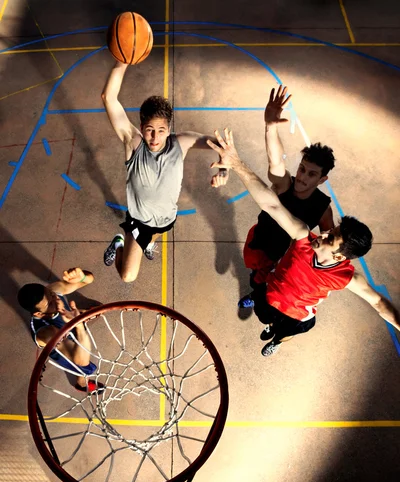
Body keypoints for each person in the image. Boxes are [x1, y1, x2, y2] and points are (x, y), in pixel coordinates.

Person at [207, 129, 400, 356]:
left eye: (330, 237)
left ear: (339, 256)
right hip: (269, 296)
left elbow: (379, 303)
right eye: (331, 230)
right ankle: (268, 321)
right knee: (264, 314)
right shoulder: (302, 238)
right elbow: (271, 205)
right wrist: (237, 164)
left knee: (285, 332)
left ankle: (278, 340)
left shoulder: (346, 277)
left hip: (297, 316)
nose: (323, 234)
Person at [101, 61, 229, 282]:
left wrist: (224, 169)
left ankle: (149, 243)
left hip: (166, 216)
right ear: (141, 128)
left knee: (157, 232)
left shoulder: (181, 142)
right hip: (139, 221)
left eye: (161, 131)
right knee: (127, 276)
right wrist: (122, 62)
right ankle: (119, 243)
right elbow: (108, 98)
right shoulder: (133, 142)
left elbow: (221, 144)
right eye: (149, 130)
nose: (155, 137)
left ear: (169, 129)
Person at [240, 85, 336, 308]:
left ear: (322, 180)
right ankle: (254, 294)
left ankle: (260, 298)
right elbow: (276, 162)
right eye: (302, 168)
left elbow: (329, 245)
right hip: (261, 246)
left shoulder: (323, 208)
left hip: (282, 258)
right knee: (256, 279)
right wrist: (270, 127)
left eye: (312, 174)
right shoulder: (285, 185)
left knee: (272, 292)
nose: (302, 177)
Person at [17, 267, 103, 392]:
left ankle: (78, 317)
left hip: (69, 325)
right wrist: (78, 324)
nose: (57, 301)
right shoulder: (46, 333)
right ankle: (81, 384)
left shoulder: (53, 291)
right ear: (38, 314)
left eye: (51, 295)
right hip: (61, 348)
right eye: (50, 304)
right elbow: (81, 361)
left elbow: (89, 279)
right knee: (84, 369)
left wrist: (82, 276)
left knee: (95, 312)